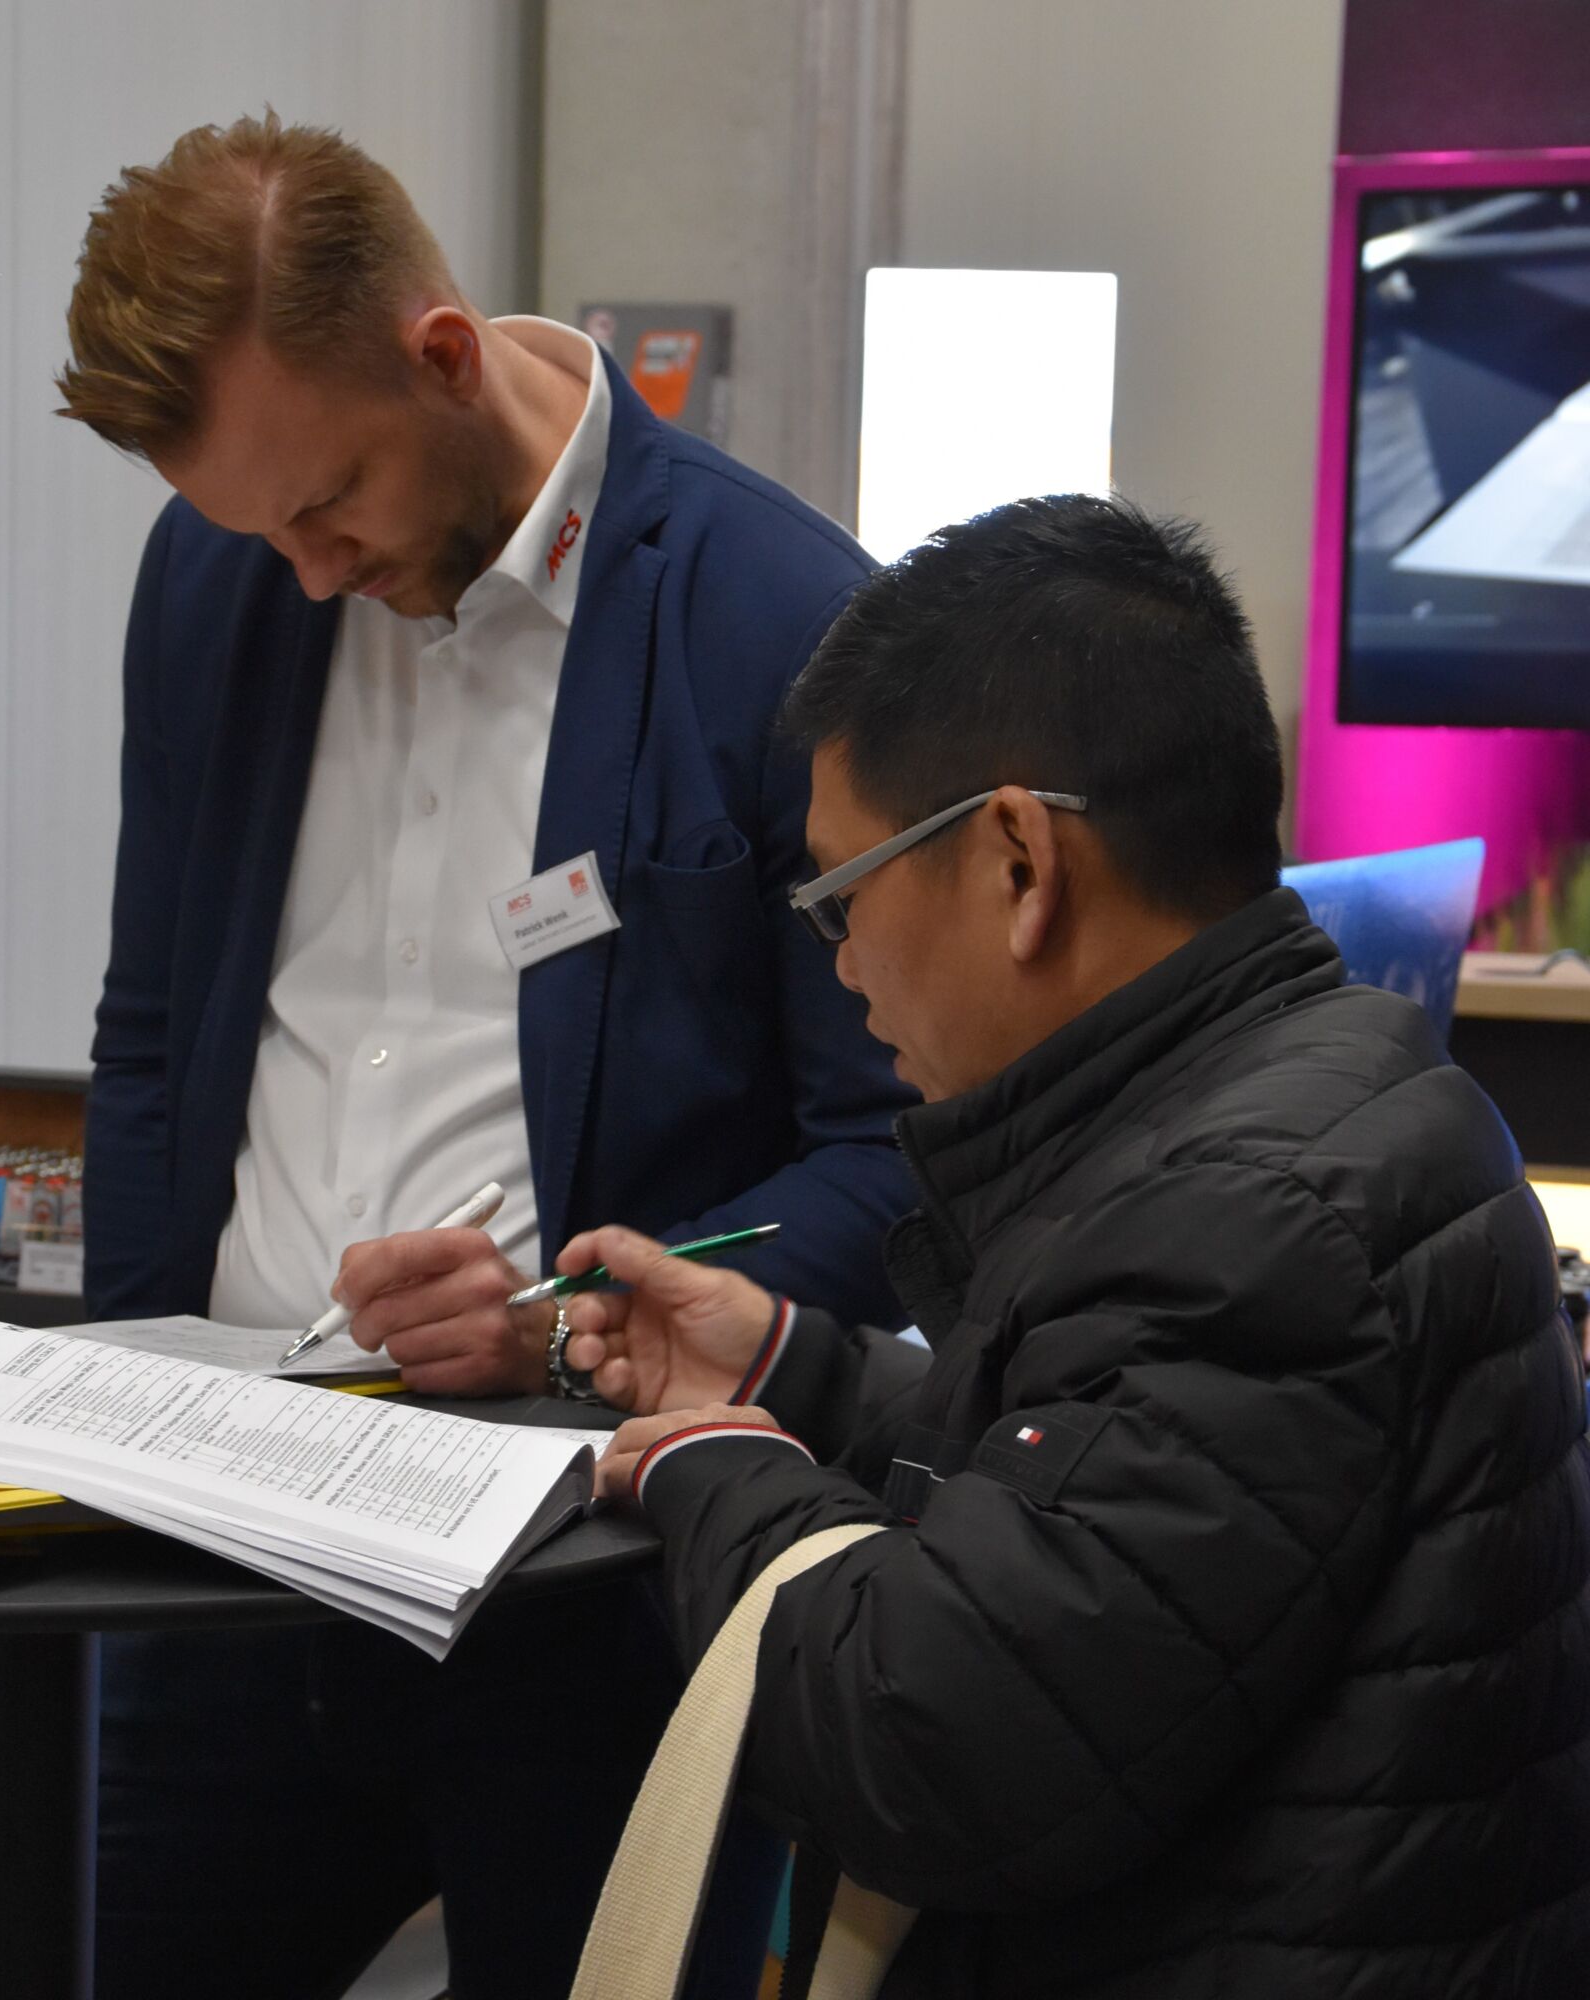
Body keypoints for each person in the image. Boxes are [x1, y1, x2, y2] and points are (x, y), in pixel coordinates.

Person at [54, 114, 916, 1995]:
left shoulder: (780, 618)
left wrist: (569, 1318)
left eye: (329, 503)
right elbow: (151, 1037)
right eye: (255, 528)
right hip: (221, 1560)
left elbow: (891, 1149)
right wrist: (124, 1401)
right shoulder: (217, 580)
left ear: (442, 355)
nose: (302, 572)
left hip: (586, 1575)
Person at [560, 495, 1590, 1999]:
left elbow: (928, 1749)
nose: (841, 965)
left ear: (1018, 862)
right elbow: (1102, 1477)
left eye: (841, 897)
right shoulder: (1308, 1097)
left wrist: (715, 1470)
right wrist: (792, 1368)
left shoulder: (1246, 1215)